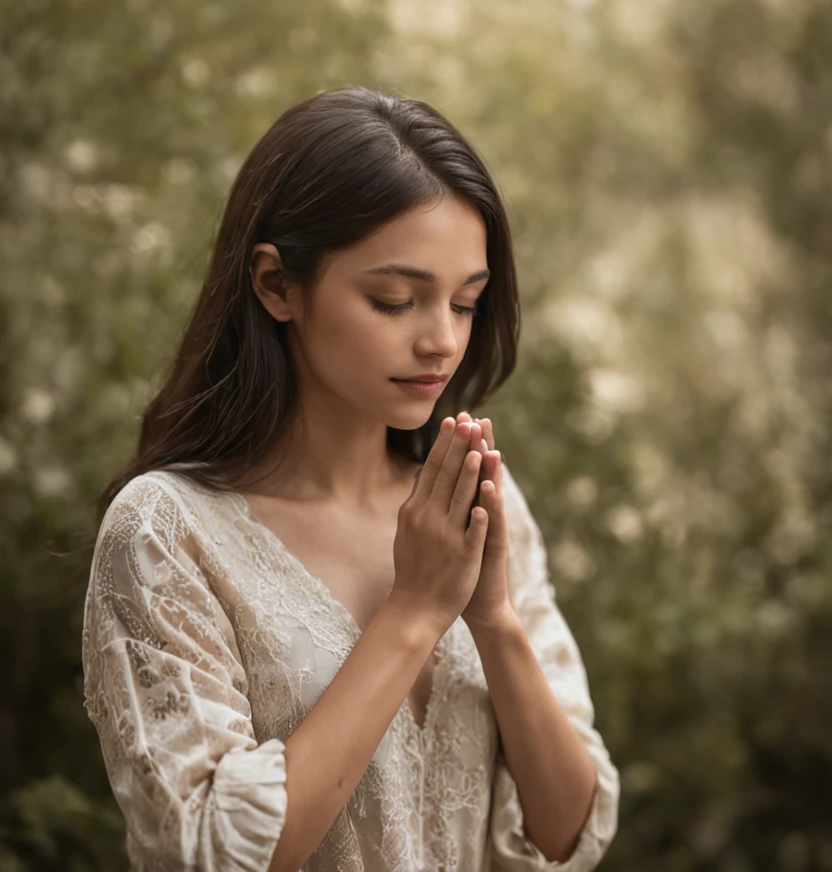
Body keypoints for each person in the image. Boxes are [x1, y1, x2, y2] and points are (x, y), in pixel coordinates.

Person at [82, 84, 620, 872]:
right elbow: (210, 854)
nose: (441, 340)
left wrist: (494, 619)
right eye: (395, 300)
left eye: (467, 304)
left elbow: (571, 834)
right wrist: (413, 614)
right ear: (276, 285)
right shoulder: (166, 533)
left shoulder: (467, 504)